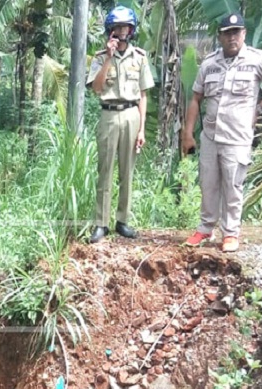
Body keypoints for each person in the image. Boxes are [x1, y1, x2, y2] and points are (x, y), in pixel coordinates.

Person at [181, 12, 262, 252]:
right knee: (208, 183)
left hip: (237, 136)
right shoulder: (209, 64)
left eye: (236, 32)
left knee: (233, 184)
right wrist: (187, 133)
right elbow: (196, 98)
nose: (232, 37)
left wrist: (260, 109)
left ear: (244, 34)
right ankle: (205, 228)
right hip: (210, 135)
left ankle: (230, 233)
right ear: (220, 37)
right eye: (227, 33)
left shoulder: (256, 60)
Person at [86, 6, 155, 243]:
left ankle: (122, 220)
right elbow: (96, 88)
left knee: (127, 170)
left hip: (131, 115)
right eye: (117, 27)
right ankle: (101, 223)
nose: (121, 31)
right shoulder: (99, 57)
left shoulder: (140, 57)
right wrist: (107, 57)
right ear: (110, 30)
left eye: (125, 26)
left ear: (131, 29)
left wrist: (142, 128)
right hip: (108, 115)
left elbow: (143, 95)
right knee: (104, 170)